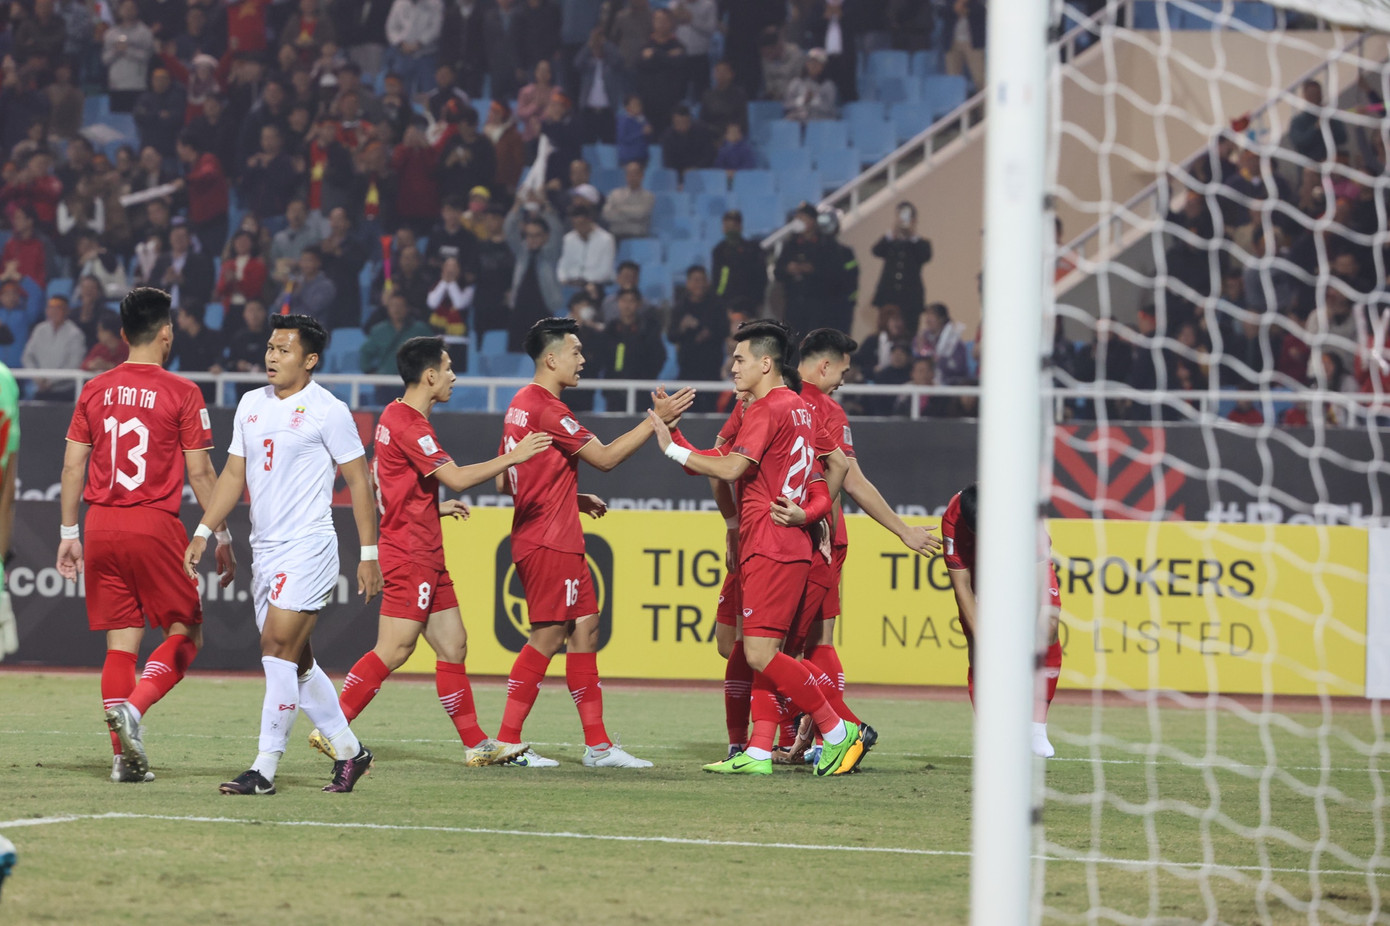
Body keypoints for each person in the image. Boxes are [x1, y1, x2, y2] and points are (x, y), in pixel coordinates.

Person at [311, 336, 553, 766]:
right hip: (410, 552)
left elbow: (385, 483)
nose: (454, 376)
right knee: (395, 648)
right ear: (429, 376)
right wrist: (514, 456)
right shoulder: (411, 425)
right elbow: (457, 477)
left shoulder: (392, 414)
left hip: (424, 547)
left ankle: (477, 745)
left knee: (453, 645)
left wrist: (430, 507)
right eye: (448, 368)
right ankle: (334, 727)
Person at [646, 321, 867, 776]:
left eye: (740, 359)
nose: (732, 367)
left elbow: (728, 468)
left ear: (765, 363)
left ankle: (839, 730)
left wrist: (670, 448)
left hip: (768, 543)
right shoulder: (800, 408)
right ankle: (761, 751)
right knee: (764, 651)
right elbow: (833, 468)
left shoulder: (766, 409)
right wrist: (812, 515)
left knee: (761, 653)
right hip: (787, 543)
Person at [184, 314, 383, 794]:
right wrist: (204, 531)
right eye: (270, 348)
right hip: (266, 549)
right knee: (297, 663)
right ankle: (351, 753)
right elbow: (233, 475)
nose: (272, 356)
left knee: (274, 647)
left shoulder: (328, 410)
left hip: (309, 546)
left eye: (284, 349)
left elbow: (359, 481)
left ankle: (263, 769)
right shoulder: (251, 404)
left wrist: (369, 553)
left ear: (310, 359)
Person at [490, 317, 694, 767]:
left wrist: (569, 495)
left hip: (551, 532)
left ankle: (598, 747)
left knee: (586, 629)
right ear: (551, 358)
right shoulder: (548, 408)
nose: (583, 359)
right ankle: (506, 740)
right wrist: (654, 422)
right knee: (548, 636)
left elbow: (509, 481)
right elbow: (604, 458)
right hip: (549, 541)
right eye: (576, 352)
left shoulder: (519, 404)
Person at [56, 286, 235, 783]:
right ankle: (134, 710)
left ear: (121, 334)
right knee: (186, 632)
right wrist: (222, 535)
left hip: (100, 523)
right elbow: (200, 474)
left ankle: (122, 759)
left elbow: (73, 466)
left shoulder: (94, 388)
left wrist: (69, 531)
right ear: (165, 333)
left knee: (121, 644)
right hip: (154, 523)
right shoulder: (183, 391)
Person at [793, 328, 940, 754]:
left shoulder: (775, 400)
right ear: (825, 365)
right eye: (843, 370)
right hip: (823, 537)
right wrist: (903, 529)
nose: (844, 379)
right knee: (817, 642)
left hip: (791, 538)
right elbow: (851, 480)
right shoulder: (825, 409)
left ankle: (832, 731)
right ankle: (822, 732)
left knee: (775, 646)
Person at [940, 482, 1064, 759]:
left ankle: (1036, 727)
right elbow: (962, 587)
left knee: (1048, 625)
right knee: (980, 650)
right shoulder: (952, 520)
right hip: (980, 569)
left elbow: (1036, 575)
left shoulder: (1025, 517)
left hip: (1025, 565)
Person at [871, 201, 933, 333]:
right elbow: (876, 251)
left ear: (914, 220)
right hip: (888, 296)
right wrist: (892, 233)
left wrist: (912, 235)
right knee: (885, 331)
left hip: (910, 299)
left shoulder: (920, 243)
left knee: (909, 332)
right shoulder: (891, 241)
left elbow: (925, 256)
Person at [666, 265, 724, 395]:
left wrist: (707, 333)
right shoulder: (680, 307)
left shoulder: (717, 306)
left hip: (711, 368)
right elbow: (671, 335)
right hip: (687, 368)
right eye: (695, 280)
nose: (699, 284)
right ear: (688, 283)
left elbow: (723, 330)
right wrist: (682, 327)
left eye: (702, 280)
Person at [23, 295, 86, 400]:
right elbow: (27, 356)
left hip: (64, 391)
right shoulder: (39, 330)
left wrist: (51, 381)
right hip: (41, 388)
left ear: (66, 311)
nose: (54, 311)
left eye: (58, 307)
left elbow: (74, 364)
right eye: (50, 307)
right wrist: (37, 377)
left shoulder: (75, 334)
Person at [557, 203, 616, 295]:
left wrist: (587, 282)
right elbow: (563, 264)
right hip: (572, 283)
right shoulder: (568, 239)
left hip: (596, 283)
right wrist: (563, 278)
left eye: (581, 224)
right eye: (575, 224)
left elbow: (606, 270)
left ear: (590, 220)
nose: (578, 228)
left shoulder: (606, 239)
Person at [711, 209, 765, 310]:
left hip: (750, 303)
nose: (731, 230)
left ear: (740, 227)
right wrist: (719, 299)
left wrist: (758, 301)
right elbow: (719, 279)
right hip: (726, 303)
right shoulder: (719, 251)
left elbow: (760, 277)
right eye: (728, 226)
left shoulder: (752, 249)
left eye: (734, 226)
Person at [602, 160, 655, 239]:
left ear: (641, 176)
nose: (632, 177)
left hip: (637, 237)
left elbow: (640, 214)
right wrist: (631, 215)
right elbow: (607, 215)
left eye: (635, 174)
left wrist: (619, 208)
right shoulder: (615, 194)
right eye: (629, 174)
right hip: (615, 236)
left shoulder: (648, 196)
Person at [783, 49, 838, 122]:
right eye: (811, 62)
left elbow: (831, 108)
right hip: (798, 120)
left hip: (821, 121)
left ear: (824, 66)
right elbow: (786, 105)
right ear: (806, 64)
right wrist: (802, 100)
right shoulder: (796, 83)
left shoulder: (829, 85)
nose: (813, 66)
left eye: (818, 63)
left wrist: (814, 100)